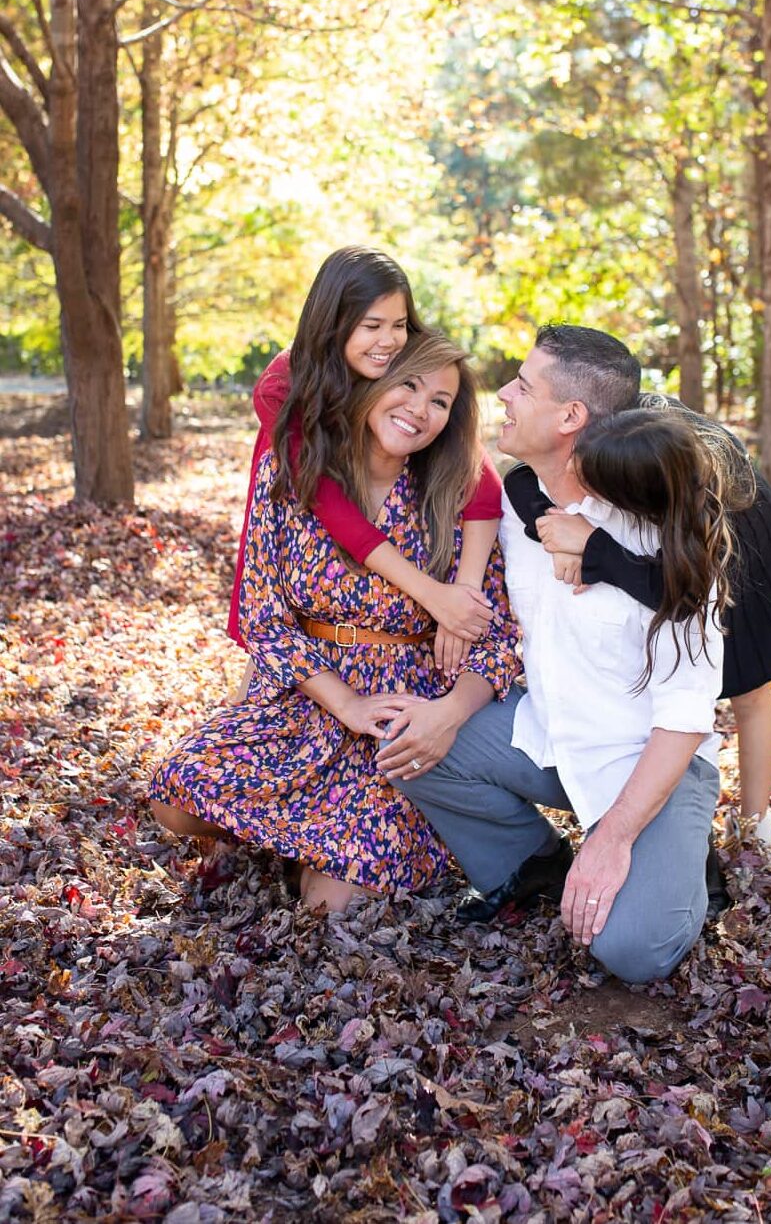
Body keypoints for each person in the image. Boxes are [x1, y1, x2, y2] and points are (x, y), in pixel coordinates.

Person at [387, 325, 732, 983]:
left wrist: (614, 837)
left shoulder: (666, 535)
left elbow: (686, 717)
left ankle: (684, 863)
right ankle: (530, 865)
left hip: (650, 763)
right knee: (411, 739)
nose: (506, 395)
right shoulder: (520, 504)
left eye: (524, 384)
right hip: (549, 736)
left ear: (571, 415)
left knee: (634, 951)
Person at [150, 333, 520, 910]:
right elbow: (264, 617)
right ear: (369, 384)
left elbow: (498, 640)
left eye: (442, 402)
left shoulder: (456, 496)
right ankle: (299, 837)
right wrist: (344, 703)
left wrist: (447, 715)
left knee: (329, 906)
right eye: (409, 384)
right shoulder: (296, 470)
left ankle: (324, 851)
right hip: (309, 693)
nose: (421, 410)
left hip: (401, 712)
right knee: (175, 797)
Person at [509, 390, 771, 848]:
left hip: (744, 522)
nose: (574, 475)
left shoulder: (690, 514)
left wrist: (596, 549)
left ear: (628, 503)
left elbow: (681, 595)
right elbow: (521, 478)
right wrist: (554, 527)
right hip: (668, 489)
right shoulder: (610, 440)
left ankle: (755, 827)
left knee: (749, 684)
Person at [227, 247, 501, 687]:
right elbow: (333, 510)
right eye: (371, 326)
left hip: (389, 616)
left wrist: (462, 598)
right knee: (288, 593)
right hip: (310, 502)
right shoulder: (284, 388)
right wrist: (434, 596)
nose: (389, 341)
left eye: (399, 325)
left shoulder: (403, 367)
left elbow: (481, 484)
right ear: (332, 324)